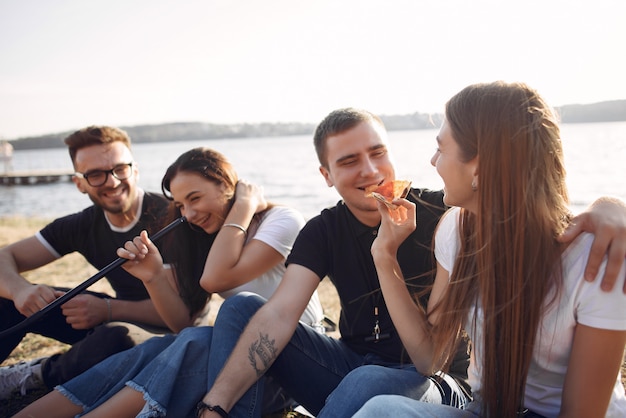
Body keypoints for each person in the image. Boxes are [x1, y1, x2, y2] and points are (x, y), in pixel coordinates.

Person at [192, 108, 626, 418]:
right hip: (357, 363)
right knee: (242, 309)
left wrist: (611, 205)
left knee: (369, 388)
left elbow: (538, 209)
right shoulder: (330, 229)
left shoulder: (447, 211)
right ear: (326, 175)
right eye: (348, 161)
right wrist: (215, 404)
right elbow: (282, 312)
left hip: (433, 383)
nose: (369, 170)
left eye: (377, 153)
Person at [352, 81, 626, 417]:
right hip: (485, 409)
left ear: (479, 169)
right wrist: (384, 255)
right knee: (381, 411)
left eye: (442, 148)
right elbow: (429, 357)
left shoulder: (596, 258)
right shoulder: (456, 229)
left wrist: (612, 204)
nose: (433, 160)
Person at [14, 147, 325, 418]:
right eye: (180, 205)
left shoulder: (283, 220)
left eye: (195, 198)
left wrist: (243, 205)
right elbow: (179, 322)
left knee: (199, 342)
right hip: (238, 364)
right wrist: (152, 276)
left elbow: (217, 278)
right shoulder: (207, 239)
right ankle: (33, 414)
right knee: (167, 345)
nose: (188, 214)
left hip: (293, 364)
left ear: (228, 185)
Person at [0, 126, 173, 399]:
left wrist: (107, 309)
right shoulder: (81, 224)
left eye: (120, 169)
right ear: (79, 183)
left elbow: (182, 315)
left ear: (135, 170)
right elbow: (3, 258)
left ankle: (36, 373)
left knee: (116, 338)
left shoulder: (171, 216)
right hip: (112, 317)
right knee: (9, 296)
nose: (113, 181)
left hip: (170, 336)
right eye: (95, 174)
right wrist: (20, 290)